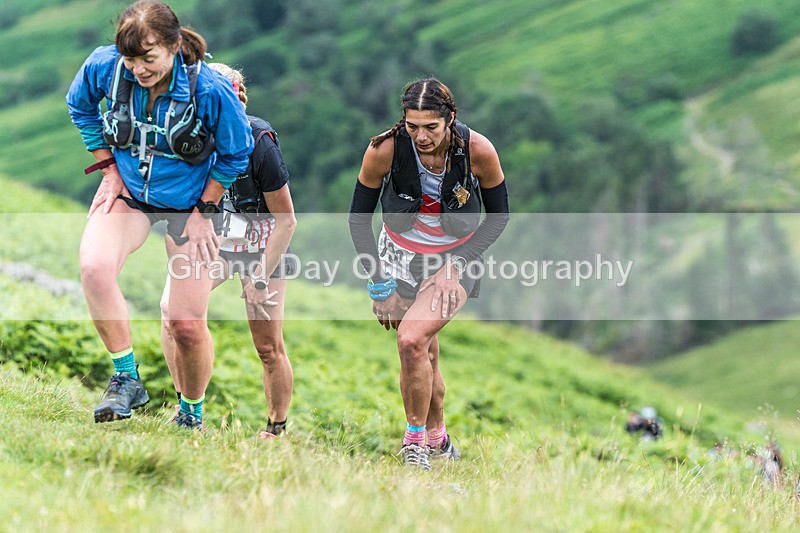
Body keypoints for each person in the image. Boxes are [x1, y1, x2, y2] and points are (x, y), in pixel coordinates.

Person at [66, 0, 253, 428]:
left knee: (186, 324)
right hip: (131, 191)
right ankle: (125, 378)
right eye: (131, 60)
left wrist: (205, 209)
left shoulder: (208, 89)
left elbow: (236, 152)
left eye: (148, 59)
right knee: (94, 266)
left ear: (172, 45)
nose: (139, 70)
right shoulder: (105, 67)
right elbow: (80, 108)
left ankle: (190, 413)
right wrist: (108, 169)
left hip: (191, 205)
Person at [349, 78, 509, 469]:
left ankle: (414, 444)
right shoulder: (383, 151)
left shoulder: (479, 151)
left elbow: (499, 216)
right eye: (412, 126)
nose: (420, 136)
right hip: (398, 258)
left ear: (450, 119)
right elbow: (357, 220)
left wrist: (456, 265)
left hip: (457, 259)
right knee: (425, 353)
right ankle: (440, 442)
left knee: (410, 341)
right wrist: (379, 283)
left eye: (431, 127)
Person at [160, 63, 297, 437]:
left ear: (237, 101)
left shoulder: (260, 142)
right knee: (172, 313)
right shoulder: (186, 141)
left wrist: (260, 278)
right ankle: (186, 409)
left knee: (268, 346)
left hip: (264, 245)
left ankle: (275, 430)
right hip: (215, 241)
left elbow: (287, 221)